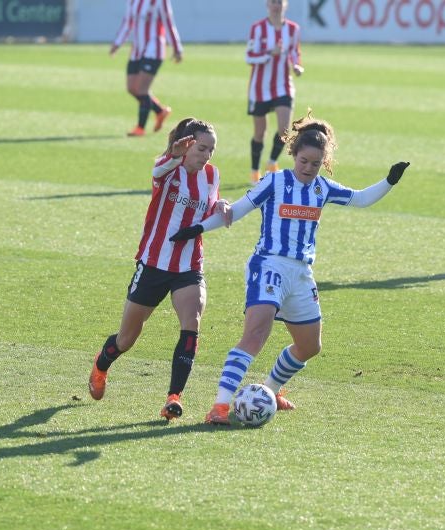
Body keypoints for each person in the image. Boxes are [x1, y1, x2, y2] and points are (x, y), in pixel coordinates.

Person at [169, 112, 409, 425]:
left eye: (315, 163)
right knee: (255, 335)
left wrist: (389, 180)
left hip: (301, 273)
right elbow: (237, 212)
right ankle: (220, 406)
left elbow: (361, 199)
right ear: (294, 154)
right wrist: (197, 229)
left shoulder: (323, 188)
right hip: (269, 264)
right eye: (304, 161)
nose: (308, 168)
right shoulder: (275, 181)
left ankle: (269, 390)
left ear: (323, 161)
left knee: (310, 345)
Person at [88, 118, 231, 423]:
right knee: (126, 339)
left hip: (188, 265)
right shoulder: (168, 169)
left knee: (192, 323)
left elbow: (209, 208)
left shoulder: (211, 174)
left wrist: (220, 207)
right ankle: (101, 365)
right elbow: (157, 171)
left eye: (211, 150)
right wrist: (174, 155)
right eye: (202, 148)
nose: (207, 155)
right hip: (153, 264)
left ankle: (173, 398)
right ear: (187, 145)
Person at [246, 0, 304, 185]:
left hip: (283, 85)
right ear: (267, 5)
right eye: (273, 2)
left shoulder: (293, 29)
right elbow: (249, 56)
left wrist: (296, 65)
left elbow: (295, 52)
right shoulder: (257, 28)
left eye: (279, 2)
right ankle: (254, 170)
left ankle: (272, 162)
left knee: (284, 129)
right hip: (259, 88)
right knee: (260, 132)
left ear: (285, 5)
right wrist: (270, 53)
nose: (276, 5)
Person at [110, 0, 184, 137]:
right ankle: (160, 111)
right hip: (137, 50)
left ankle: (140, 128)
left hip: (153, 49)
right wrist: (117, 43)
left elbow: (168, 23)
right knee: (132, 88)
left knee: (142, 90)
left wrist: (177, 48)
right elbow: (128, 22)